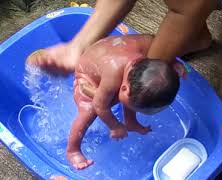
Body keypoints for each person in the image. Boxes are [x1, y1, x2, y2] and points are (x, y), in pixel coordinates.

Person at [27, 0, 222, 132]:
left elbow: (190, 5)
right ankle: (73, 148)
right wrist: (80, 44)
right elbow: (103, 107)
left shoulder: (124, 75)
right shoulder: (118, 76)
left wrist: (130, 121)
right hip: (125, 66)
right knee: (84, 119)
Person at [28, 34, 180, 170]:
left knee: (135, 93)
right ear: (124, 87)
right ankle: (72, 150)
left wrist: (170, 63)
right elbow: (100, 106)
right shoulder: (113, 76)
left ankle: (130, 122)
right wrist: (114, 126)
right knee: (88, 111)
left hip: (107, 53)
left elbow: (154, 39)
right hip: (87, 78)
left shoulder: (149, 53)